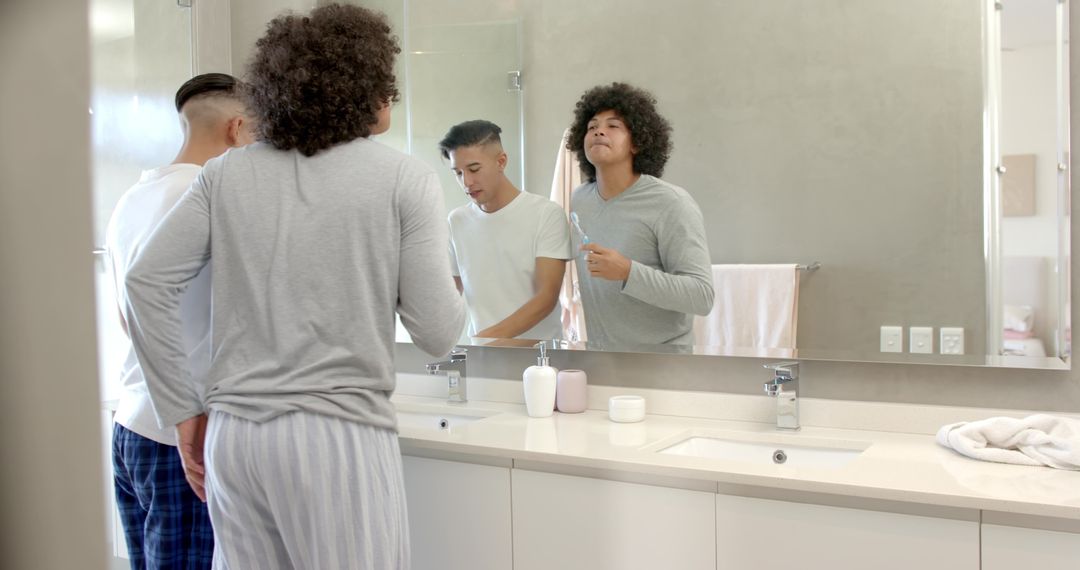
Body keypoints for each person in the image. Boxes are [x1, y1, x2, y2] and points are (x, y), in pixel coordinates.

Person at [123, 4, 465, 569]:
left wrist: (182, 409)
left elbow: (144, 283)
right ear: (363, 88)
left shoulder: (226, 173)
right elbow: (437, 333)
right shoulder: (404, 177)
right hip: (338, 436)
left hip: (235, 439)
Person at [106, 72, 254, 569]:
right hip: (182, 433)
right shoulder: (207, 196)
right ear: (236, 128)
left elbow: (129, 317)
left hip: (132, 423)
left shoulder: (132, 198)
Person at [567, 82, 714, 346]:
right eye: (591, 126)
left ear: (637, 142)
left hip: (663, 361)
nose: (599, 131)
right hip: (601, 357)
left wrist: (628, 272)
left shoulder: (671, 203)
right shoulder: (579, 200)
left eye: (613, 126)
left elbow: (702, 297)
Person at [439, 120, 571, 340]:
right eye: (458, 173)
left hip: (538, 356)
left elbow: (546, 297)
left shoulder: (546, 214)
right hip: (483, 353)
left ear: (501, 161)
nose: (467, 182)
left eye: (474, 169)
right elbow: (449, 294)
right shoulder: (456, 220)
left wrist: (486, 340)